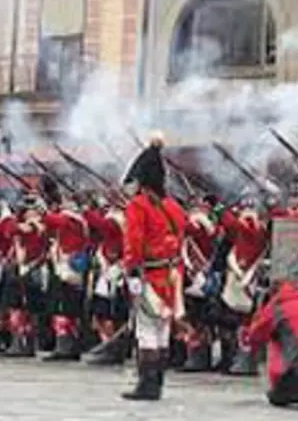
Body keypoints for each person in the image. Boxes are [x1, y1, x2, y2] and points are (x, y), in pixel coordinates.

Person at [121, 134, 187, 401]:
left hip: (150, 273)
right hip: (173, 275)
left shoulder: (139, 205)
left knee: (147, 330)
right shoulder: (174, 206)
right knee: (163, 330)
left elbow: (133, 242)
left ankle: (146, 385)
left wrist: (132, 272)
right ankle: (156, 383)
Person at [245, 278, 298, 407]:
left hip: (296, 373)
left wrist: (259, 313)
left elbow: (255, 335)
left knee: (276, 398)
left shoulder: (277, 307)